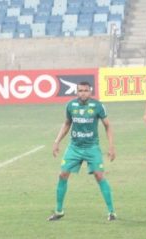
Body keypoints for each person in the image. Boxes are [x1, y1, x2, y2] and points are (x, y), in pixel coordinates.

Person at [48, 80, 116, 222]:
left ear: (90, 91)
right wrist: (57, 141)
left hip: (92, 147)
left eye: (85, 90)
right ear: (77, 91)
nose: (83, 93)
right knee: (62, 175)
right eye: (80, 90)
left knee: (99, 176)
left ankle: (112, 212)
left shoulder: (98, 106)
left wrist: (111, 146)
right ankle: (59, 211)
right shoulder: (71, 105)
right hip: (74, 147)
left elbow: (107, 126)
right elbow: (67, 123)